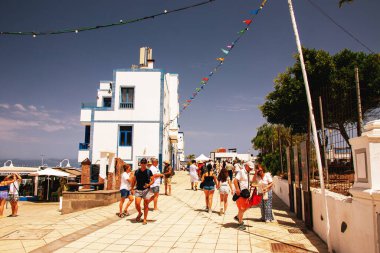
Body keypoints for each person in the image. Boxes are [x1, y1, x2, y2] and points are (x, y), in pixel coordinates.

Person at [130, 158, 155, 225]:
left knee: (146, 205)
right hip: (138, 190)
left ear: (146, 164)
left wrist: (149, 184)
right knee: (137, 204)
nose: (143, 164)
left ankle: (144, 219)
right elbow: (134, 180)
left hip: (146, 190)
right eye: (142, 163)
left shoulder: (149, 171)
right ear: (140, 163)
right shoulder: (137, 171)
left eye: (145, 163)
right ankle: (140, 213)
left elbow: (153, 180)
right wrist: (132, 188)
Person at [233, 161, 255, 230]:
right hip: (241, 193)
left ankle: (238, 217)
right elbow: (235, 180)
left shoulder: (247, 173)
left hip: (246, 193)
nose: (251, 169)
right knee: (242, 208)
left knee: (246, 206)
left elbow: (245, 182)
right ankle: (240, 223)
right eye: (250, 168)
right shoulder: (241, 172)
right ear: (246, 166)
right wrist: (237, 189)